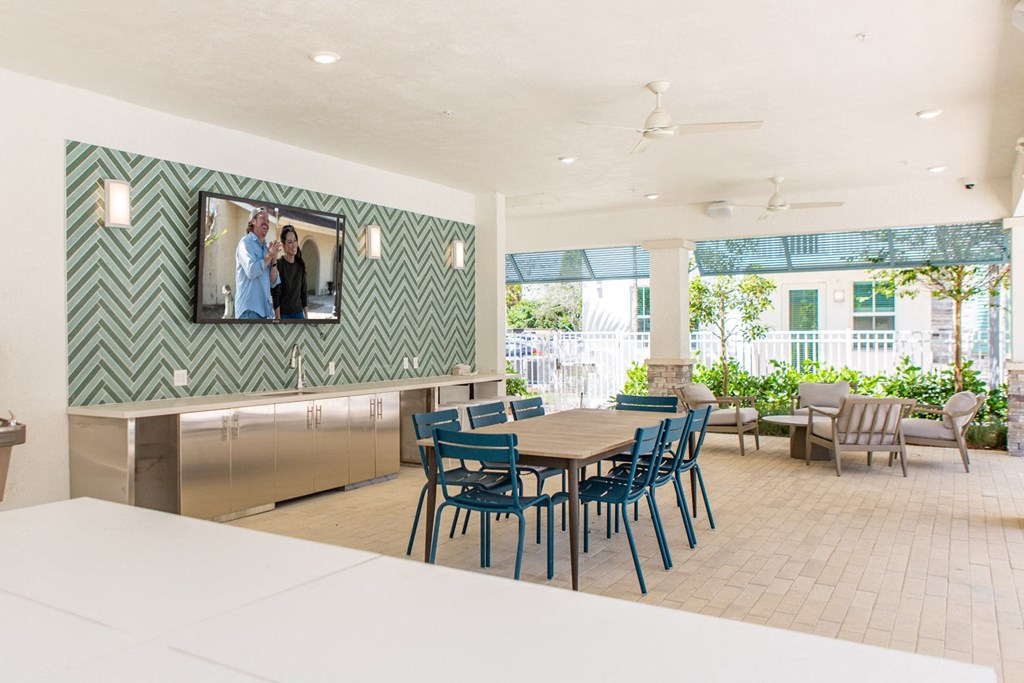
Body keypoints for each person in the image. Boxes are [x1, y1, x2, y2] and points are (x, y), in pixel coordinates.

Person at [235, 207, 282, 320]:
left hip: (264, 312)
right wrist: (269, 256)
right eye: (262, 218)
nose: (266, 222)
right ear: (253, 221)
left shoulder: (267, 249)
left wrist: (274, 259)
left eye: (268, 220)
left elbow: (273, 282)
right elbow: (252, 271)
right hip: (248, 311)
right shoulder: (245, 243)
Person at [271, 225, 309, 320]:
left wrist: (306, 315)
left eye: (295, 240)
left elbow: (303, 292)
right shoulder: (279, 265)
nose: (294, 244)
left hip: (299, 314)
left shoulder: (300, 265)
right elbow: (275, 294)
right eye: (290, 242)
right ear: (283, 245)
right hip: (283, 315)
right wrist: (278, 317)